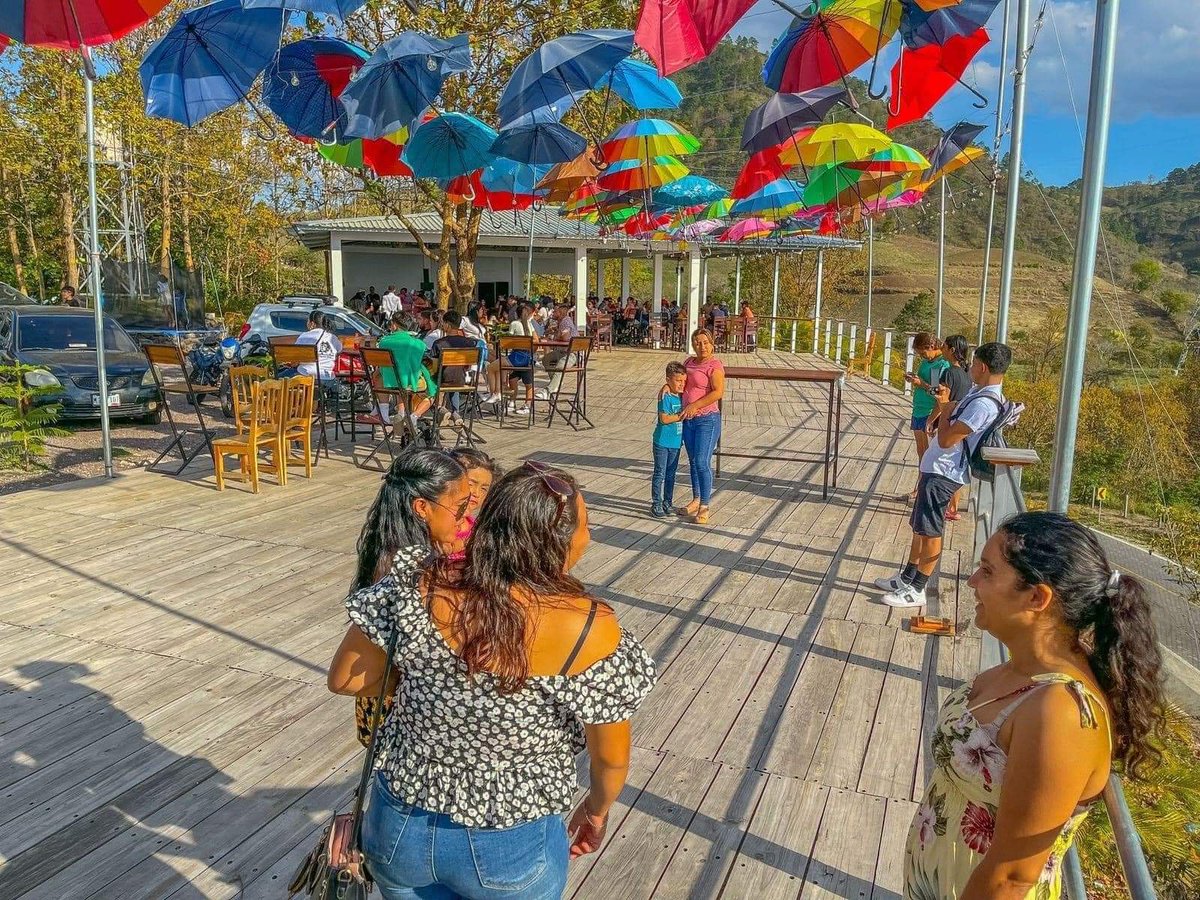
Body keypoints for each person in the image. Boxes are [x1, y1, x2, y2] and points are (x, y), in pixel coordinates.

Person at [328, 463, 657, 899]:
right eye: (586, 525)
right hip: (508, 840)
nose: (589, 537)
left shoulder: (415, 581)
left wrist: (431, 675)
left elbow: (345, 679)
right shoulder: (586, 628)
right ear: (556, 542)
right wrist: (595, 812)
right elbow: (610, 761)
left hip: (398, 826)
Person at [905, 511, 1163, 899]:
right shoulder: (1022, 668)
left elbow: (1012, 876)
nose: (972, 581)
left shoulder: (1062, 713)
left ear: (1037, 597)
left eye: (988, 572)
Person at [344, 449, 472, 748]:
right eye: (460, 506)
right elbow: (344, 679)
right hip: (401, 714)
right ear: (422, 508)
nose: (466, 516)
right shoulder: (402, 577)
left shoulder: (394, 549)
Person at [877, 341, 1012, 609]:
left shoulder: (984, 404)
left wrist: (947, 408)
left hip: (945, 472)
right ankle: (907, 577)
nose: (970, 368)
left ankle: (917, 589)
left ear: (983, 366)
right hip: (936, 469)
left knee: (931, 531)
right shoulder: (979, 393)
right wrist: (947, 406)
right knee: (920, 527)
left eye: (973, 364)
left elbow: (948, 438)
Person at [678, 329, 725, 526]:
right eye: (697, 342)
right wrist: (667, 387)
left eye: (705, 342)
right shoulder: (689, 362)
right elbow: (678, 380)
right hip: (689, 420)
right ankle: (696, 499)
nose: (701, 346)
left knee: (701, 461)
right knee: (692, 460)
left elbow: (718, 392)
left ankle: (705, 505)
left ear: (711, 343)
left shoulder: (714, 366)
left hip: (707, 418)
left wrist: (695, 405)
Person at [902, 332, 951, 501]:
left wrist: (920, 384)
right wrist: (914, 379)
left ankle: (924, 491)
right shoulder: (927, 361)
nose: (922, 356)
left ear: (931, 347)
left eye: (923, 353)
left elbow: (937, 392)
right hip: (918, 409)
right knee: (921, 453)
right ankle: (920, 488)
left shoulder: (939, 365)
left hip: (930, 411)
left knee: (929, 455)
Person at [929, 334, 973, 521]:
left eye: (945, 346)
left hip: (948, 422)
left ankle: (941, 506)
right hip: (961, 426)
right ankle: (953, 508)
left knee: (939, 467)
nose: (942, 349)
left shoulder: (948, 373)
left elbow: (942, 401)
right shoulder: (966, 374)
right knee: (956, 467)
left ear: (952, 350)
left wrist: (931, 420)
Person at [378, 311, 436, 424]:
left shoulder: (383, 342)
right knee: (432, 390)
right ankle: (414, 416)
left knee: (398, 384)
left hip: (388, 382)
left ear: (394, 325)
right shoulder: (417, 343)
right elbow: (426, 358)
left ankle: (399, 414)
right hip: (410, 382)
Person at [445, 447, 501, 560]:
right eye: (471, 484)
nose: (476, 493)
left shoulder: (475, 527)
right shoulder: (437, 524)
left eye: (484, 489)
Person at [651, 362, 688, 518]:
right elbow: (664, 419)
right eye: (678, 381)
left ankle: (668, 502)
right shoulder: (665, 396)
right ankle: (656, 503)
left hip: (676, 442)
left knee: (671, 474)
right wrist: (681, 415)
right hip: (662, 441)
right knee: (660, 472)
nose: (681, 384)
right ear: (668, 380)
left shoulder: (681, 396)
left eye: (683, 381)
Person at [428, 310, 478, 423]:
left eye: (443, 323)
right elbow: (469, 366)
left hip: (442, 380)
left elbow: (434, 367)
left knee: (433, 380)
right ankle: (456, 413)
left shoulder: (439, 343)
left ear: (448, 325)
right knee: (453, 378)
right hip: (461, 380)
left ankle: (441, 410)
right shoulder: (469, 343)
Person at [540, 304, 580, 400]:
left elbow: (565, 337)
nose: (553, 313)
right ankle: (556, 382)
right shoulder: (561, 322)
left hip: (572, 354)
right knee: (546, 359)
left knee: (560, 366)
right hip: (562, 352)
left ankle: (548, 390)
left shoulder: (566, 321)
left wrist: (556, 335)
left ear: (560, 313)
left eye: (555, 311)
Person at [294, 311, 342, 381]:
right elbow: (339, 350)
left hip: (306, 375)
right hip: (328, 377)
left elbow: (295, 358)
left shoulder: (304, 336)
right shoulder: (333, 337)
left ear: (312, 324)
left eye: (308, 321)